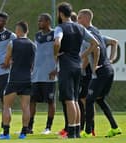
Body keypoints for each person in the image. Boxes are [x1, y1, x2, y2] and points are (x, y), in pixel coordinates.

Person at [54, 2, 99, 138]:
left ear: (61, 14)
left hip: (66, 66)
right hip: (77, 66)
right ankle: (77, 131)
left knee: (69, 100)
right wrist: (82, 55)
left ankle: (72, 132)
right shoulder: (80, 28)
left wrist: (56, 53)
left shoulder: (60, 28)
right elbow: (95, 43)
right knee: (75, 99)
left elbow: (57, 42)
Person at [77, 9, 122, 138]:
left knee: (89, 100)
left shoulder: (88, 34)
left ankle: (88, 131)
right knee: (100, 100)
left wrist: (94, 65)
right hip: (108, 70)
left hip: (101, 72)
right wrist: (111, 59)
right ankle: (115, 127)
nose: (78, 21)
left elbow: (95, 49)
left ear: (86, 19)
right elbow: (114, 42)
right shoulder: (96, 31)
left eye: (80, 18)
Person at [0, 21, 35, 140]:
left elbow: (7, 60)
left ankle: (6, 133)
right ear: (27, 31)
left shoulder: (12, 43)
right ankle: (23, 133)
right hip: (27, 78)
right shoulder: (33, 45)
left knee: (7, 106)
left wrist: (8, 63)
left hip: (14, 79)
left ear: (18, 31)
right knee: (26, 107)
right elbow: (32, 64)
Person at [28, 13, 56, 135]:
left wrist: (56, 68)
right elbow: (36, 53)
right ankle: (29, 127)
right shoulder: (37, 35)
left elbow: (59, 52)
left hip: (50, 75)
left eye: (41, 21)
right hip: (36, 75)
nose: (39, 23)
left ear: (48, 22)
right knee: (32, 101)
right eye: (38, 21)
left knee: (50, 101)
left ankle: (48, 127)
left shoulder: (55, 34)